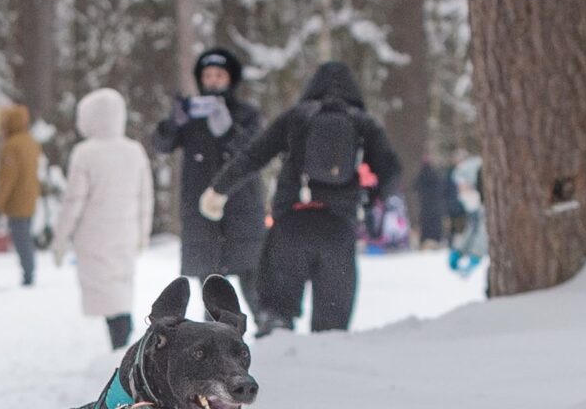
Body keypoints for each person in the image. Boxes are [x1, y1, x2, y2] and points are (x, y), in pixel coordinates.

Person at [202, 59, 400, 335]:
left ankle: (278, 369)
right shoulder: (362, 123)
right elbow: (391, 172)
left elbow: (253, 156)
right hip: (338, 229)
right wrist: (368, 198)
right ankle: (326, 374)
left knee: (276, 317)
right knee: (332, 330)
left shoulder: (295, 117)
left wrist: (218, 189)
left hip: (290, 226)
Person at [153, 46, 267, 325]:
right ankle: (213, 340)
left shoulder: (248, 114)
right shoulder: (191, 114)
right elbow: (162, 145)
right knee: (211, 286)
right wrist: (172, 122)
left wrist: (228, 128)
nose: (213, 80)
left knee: (253, 281)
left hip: (241, 207)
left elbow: (256, 150)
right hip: (201, 213)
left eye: (219, 74)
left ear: (231, 78)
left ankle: (271, 332)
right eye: (207, 75)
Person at [54, 87, 154, 348]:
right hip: (126, 234)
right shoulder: (134, 151)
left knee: (107, 295)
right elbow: (145, 199)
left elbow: (73, 201)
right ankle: (121, 339)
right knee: (120, 291)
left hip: (94, 236)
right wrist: (142, 233)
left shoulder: (85, 153)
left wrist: (61, 236)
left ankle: (119, 344)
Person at [0, 104, 42, 287]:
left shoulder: (11, 146)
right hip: (30, 197)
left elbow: (7, 179)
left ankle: (28, 273)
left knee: (21, 237)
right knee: (25, 235)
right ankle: (30, 269)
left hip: (17, 200)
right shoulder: (30, 142)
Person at [414, 156, 451, 249]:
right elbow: (442, 188)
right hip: (435, 205)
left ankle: (425, 241)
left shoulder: (421, 175)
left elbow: (415, 187)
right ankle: (436, 240)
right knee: (435, 224)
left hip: (425, 206)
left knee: (426, 225)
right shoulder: (435, 175)